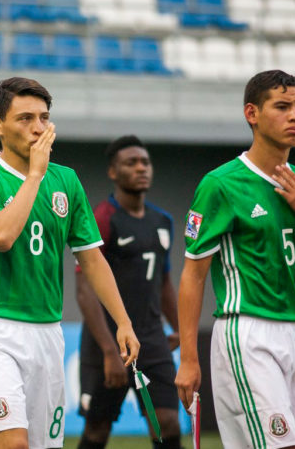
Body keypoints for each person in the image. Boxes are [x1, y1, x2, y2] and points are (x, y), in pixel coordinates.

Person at [0, 77, 140, 449]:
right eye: (25, 118)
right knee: (14, 444)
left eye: (44, 117)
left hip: (47, 334)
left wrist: (123, 321)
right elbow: (2, 236)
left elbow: (91, 259)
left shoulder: (67, 181)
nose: (38, 128)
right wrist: (35, 174)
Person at [175, 70, 295, 449]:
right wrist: (188, 358)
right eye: (282, 107)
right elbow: (192, 276)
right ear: (252, 113)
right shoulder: (221, 184)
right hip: (246, 332)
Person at [76, 135, 181, 449]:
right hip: (108, 343)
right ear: (113, 172)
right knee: (97, 430)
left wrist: (178, 330)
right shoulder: (102, 218)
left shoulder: (163, 221)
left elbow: (164, 283)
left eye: (145, 162)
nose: (140, 168)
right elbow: (84, 289)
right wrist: (109, 351)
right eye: (131, 163)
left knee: (168, 423)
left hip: (151, 339)